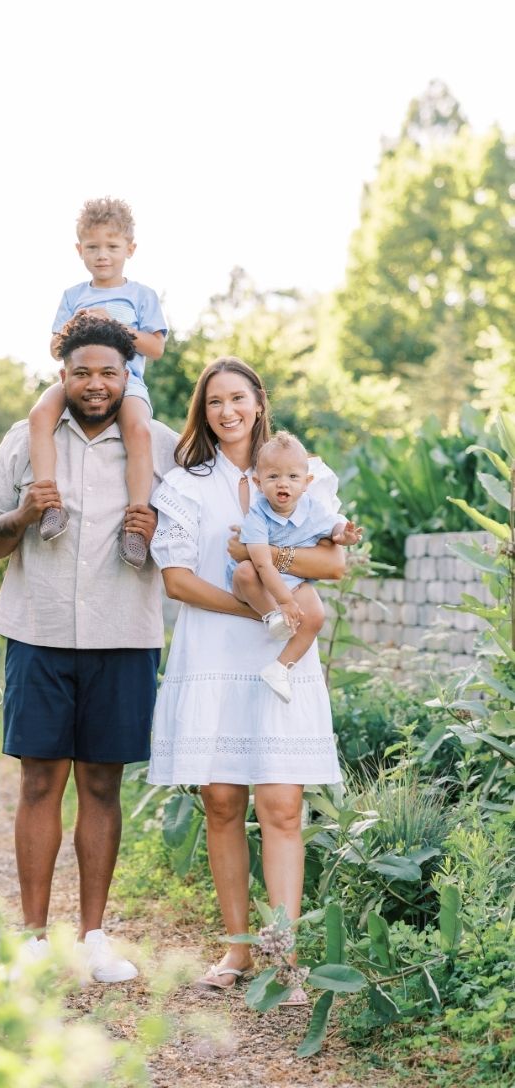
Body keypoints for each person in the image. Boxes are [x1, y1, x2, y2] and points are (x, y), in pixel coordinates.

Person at [0, 313, 176, 982]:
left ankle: (93, 936)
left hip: (124, 633)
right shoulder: (25, 442)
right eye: (82, 372)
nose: (94, 383)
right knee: (37, 782)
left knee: (101, 784)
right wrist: (24, 515)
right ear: (63, 375)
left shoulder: (161, 447)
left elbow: (199, 532)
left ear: (126, 376)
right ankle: (30, 939)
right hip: (39, 631)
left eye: (108, 373)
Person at [146, 358, 347, 999]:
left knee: (282, 805)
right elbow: (176, 579)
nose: (226, 411)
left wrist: (264, 560)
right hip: (212, 653)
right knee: (223, 802)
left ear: (260, 401)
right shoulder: (184, 484)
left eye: (237, 398)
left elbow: (332, 562)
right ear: (202, 413)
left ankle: (284, 956)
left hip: (279, 661)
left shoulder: (303, 472)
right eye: (213, 403)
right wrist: (266, 607)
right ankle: (238, 950)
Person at [25, 197, 168, 567]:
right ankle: (50, 505)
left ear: (129, 249)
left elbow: (155, 347)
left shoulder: (141, 296)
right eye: (92, 247)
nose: (102, 255)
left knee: (139, 430)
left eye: (112, 247)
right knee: (40, 416)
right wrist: (78, 326)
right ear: (79, 250)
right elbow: (56, 347)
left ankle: (135, 524)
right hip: (79, 379)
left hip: (126, 381)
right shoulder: (73, 296)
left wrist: (114, 325)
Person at [227, 431, 364, 701]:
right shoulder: (258, 515)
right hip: (257, 580)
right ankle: (272, 617)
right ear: (258, 482)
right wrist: (284, 603)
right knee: (244, 571)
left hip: (293, 579)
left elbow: (331, 529)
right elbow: (263, 564)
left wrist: (342, 535)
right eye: (273, 476)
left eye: (292, 477)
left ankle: (280, 668)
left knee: (315, 615)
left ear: (306, 482)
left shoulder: (312, 508)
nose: (283, 484)